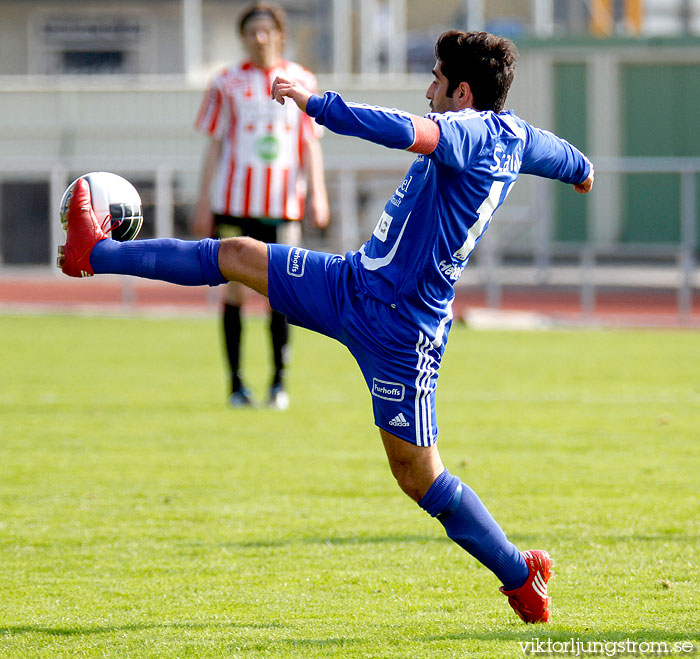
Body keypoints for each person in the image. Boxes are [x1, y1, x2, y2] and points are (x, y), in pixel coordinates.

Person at [58, 30, 593, 623]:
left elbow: (401, 130)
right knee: (238, 254)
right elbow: (560, 154)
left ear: (463, 93)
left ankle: (521, 575)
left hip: (401, 333)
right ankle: (93, 253)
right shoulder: (515, 133)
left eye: (437, 80)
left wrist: (317, 105)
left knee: (418, 476)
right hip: (352, 284)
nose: (428, 90)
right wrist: (584, 171)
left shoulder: (466, 131)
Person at [191, 1, 329, 409]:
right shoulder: (225, 82)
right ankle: (235, 385)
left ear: (280, 34)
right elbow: (215, 144)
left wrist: (318, 194)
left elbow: (309, 143)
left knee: (282, 292)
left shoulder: (301, 79)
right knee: (233, 291)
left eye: (267, 29)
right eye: (252, 30)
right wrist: (204, 202)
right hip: (234, 205)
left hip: (282, 204)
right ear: (243, 36)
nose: (260, 37)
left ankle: (278, 383)